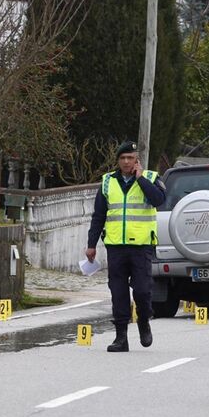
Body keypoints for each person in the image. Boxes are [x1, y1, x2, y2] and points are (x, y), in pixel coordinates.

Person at [86, 141, 166, 352]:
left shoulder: (150, 178)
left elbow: (159, 200)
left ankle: (143, 321)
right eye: (123, 158)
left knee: (142, 290)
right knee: (118, 292)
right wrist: (91, 244)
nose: (126, 162)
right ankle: (121, 337)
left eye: (130, 158)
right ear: (118, 161)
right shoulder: (107, 182)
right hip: (116, 246)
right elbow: (99, 216)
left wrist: (140, 179)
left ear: (136, 160)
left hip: (141, 246)